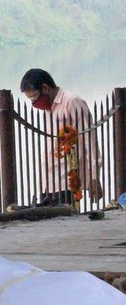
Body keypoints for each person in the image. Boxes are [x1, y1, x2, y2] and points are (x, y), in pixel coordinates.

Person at [20, 68, 103, 206]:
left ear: (45, 88)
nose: (34, 103)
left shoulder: (72, 101)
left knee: (66, 217)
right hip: (48, 181)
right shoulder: (48, 108)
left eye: (34, 98)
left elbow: (89, 140)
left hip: (67, 179)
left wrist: (94, 176)